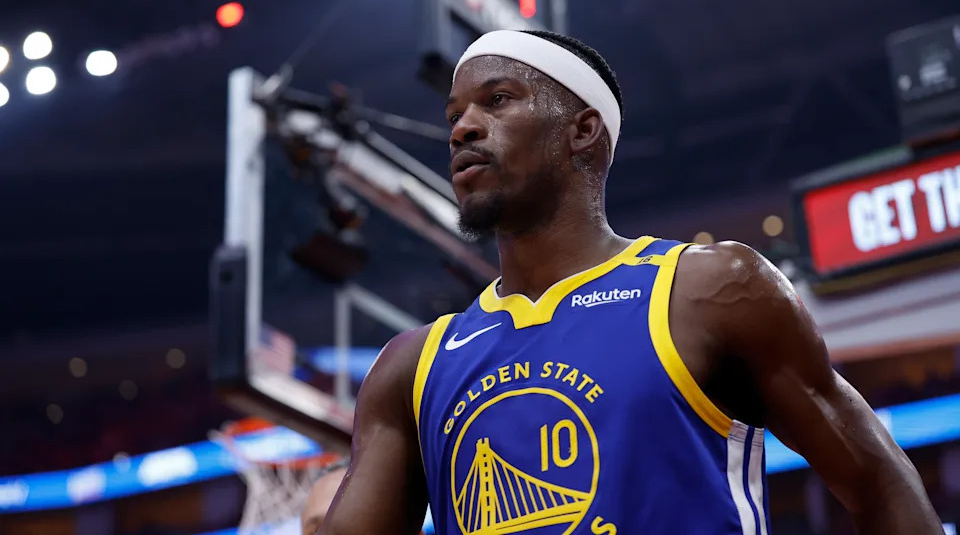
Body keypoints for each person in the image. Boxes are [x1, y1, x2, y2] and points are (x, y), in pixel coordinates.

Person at [319, 30, 941, 533]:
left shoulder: (710, 290)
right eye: (455, 114)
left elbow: (879, 483)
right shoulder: (412, 365)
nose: (462, 128)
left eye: (498, 100)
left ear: (583, 131)